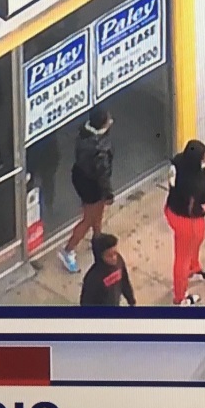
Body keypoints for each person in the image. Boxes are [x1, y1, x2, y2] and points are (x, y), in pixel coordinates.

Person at [164, 140, 205, 306]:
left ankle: (194, 268)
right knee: (182, 259)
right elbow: (196, 210)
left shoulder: (179, 163)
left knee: (198, 239)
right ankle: (180, 297)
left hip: (173, 209)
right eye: (204, 157)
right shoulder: (194, 184)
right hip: (186, 221)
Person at [58, 106, 115, 274]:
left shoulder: (84, 133)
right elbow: (102, 174)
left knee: (97, 213)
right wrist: (108, 194)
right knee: (89, 219)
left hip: (80, 175)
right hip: (93, 184)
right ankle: (68, 250)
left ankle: (97, 238)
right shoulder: (100, 148)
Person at [79, 234, 138, 307]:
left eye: (115, 253)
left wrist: (131, 300)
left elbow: (125, 282)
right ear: (101, 256)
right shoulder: (93, 278)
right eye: (109, 255)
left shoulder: (119, 262)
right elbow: (86, 302)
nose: (114, 258)